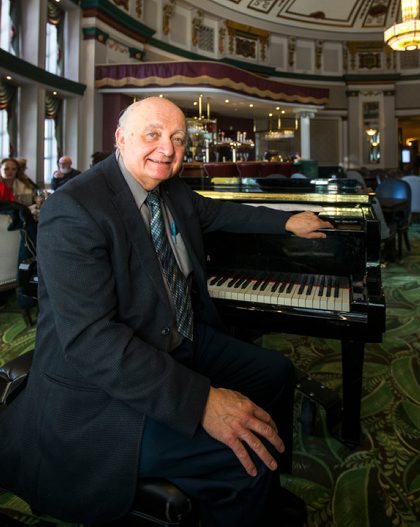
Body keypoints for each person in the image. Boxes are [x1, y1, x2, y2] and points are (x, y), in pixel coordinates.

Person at [0, 96, 331, 527]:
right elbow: (91, 341)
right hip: (100, 388)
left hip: (175, 336)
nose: (168, 149)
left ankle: (268, 487)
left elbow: (222, 212)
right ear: (120, 138)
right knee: (237, 461)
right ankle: (248, 488)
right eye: (152, 135)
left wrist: (285, 221)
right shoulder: (75, 208)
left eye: (177, 138)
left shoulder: (170, 190)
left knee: (276, 374)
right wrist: (201, 402)